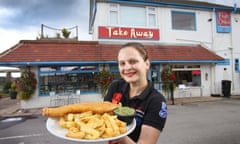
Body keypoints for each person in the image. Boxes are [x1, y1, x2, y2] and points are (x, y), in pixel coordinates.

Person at [104, 42, 167, 144]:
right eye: (122, 63)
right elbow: (103, 117)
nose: (127, 68)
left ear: (147, 64)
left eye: (133, 61)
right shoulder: (115, 87)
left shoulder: (157, 101)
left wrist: (122, 137)